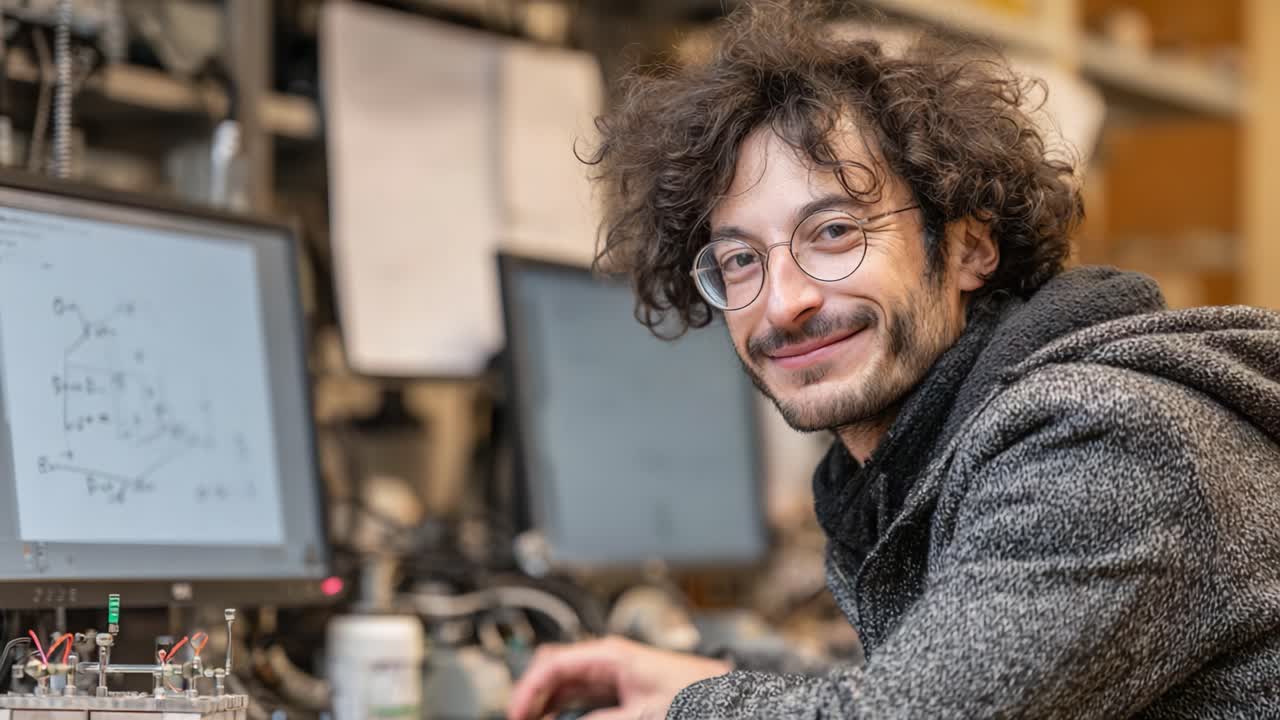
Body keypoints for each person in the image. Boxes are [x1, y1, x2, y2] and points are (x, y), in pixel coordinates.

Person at [506, 2, 1280, 718]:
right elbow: (930, 678)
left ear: (970, 245)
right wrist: (701, 677)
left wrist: (690, 711)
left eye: (834, 232)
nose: (783, 302)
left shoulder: (1102, 439)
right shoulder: (921, 457)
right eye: (741, 260)